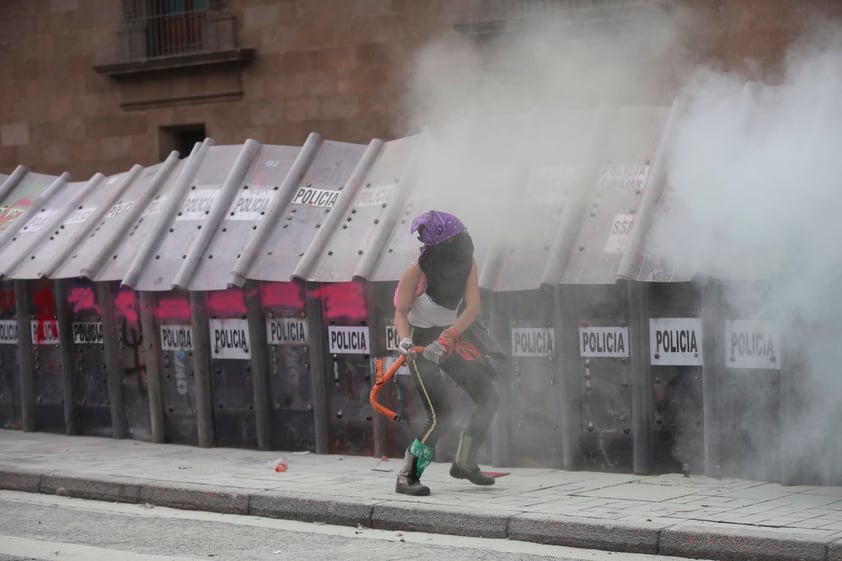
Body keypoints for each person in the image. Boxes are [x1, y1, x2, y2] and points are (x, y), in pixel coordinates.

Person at [393, 210, 500, 496]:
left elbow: (473, 307)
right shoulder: (415, 272)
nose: (460, 246)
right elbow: (400, 313)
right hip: (420, 342)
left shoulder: (468, 262)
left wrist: (449, 337)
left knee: (489, 397)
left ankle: (464, 462)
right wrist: (404, 342)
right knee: (440, 415)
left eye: (461, 239)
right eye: (452, 243)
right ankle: (408, 475)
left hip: (449, 337)